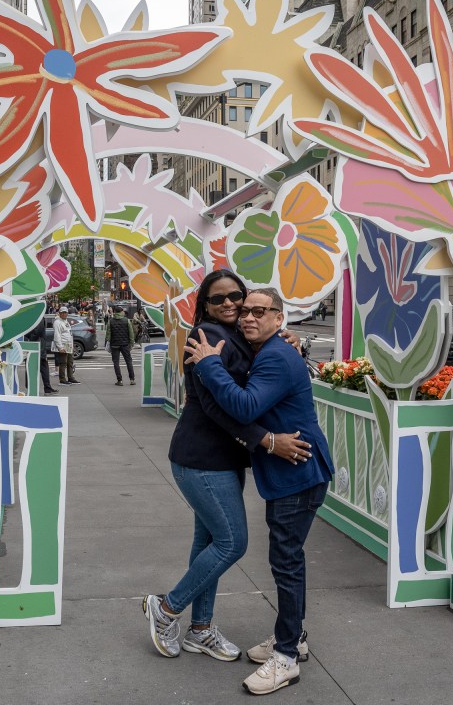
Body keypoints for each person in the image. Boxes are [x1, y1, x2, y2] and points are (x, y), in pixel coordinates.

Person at [141, 270, 309, 666]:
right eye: (220, 300)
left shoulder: (236, 334)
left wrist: (288, 340)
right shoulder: (208, 336)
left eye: (237, 296)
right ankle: (166, 608)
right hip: (203, 459)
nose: (231, 304)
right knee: (232, 543)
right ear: (206, 305)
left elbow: (261, 365)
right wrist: (267, 441)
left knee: (208, 543)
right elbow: (217, 408)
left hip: (220, 459)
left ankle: (201, 630)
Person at [186, 287, 335, 696]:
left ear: (278, 317)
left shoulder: (274, 355)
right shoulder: (270, 349)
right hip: (294, 473)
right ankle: (294, 637)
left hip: (298, 475)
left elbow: (245, 406)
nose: (248, 316)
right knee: (288, 560)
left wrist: (210, 365)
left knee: (286, 563)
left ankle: (286, 656)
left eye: (259, 311)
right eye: (244, 310)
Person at [24, 319, 57, 394]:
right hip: (38, 346)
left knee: (31, 366)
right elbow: (38, 331)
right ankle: (46, 387)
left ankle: (31, 387)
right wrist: (32, 338)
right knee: (43, 367)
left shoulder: (33, 316)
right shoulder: (39, 317)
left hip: (35, 345)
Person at [107, 305, 136, 386]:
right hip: (125, 344)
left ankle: (120, 380)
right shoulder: (126, 320)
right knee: (129, 362)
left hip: (114, 344)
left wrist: (107, 343)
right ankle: (132, 379)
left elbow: (108, 334)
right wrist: (131, 343)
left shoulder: (111, 321)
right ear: (121, 312)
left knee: (116, 363)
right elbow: (131, 333)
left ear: (115, 312)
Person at [52, 306, 79, 385]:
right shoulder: (57, 322)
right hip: (63, 345)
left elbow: (69, 333)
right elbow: (57, 335)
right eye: (63, 313)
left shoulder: (66, 321)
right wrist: (60, 347)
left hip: (68, 345)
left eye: (65, 312)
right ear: (60, 313)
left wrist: (72, 345)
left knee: (70, 362)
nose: (64, 314)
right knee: (63, 363)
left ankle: (71, 377)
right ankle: (62, 379)